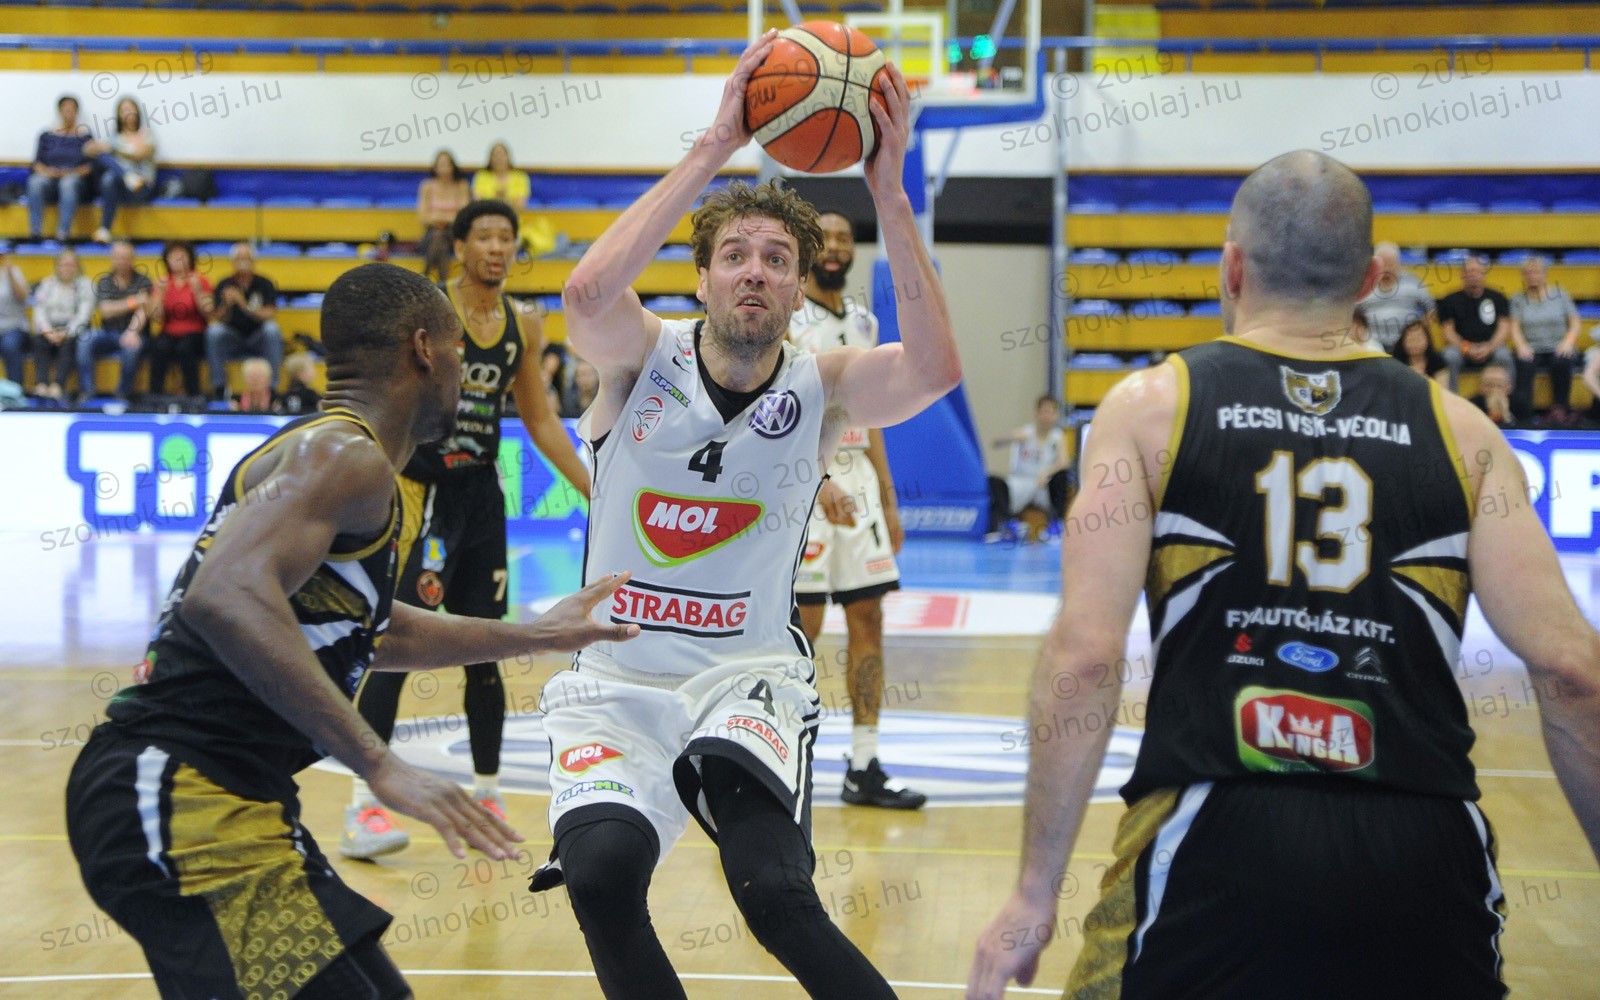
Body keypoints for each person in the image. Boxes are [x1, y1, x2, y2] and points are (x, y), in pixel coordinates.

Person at [968, 149, 1600, 1000]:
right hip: (1426, 839)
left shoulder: (1149, 410)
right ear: (1371, 280)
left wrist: (1033, 893)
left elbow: (1084, 657)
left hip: (1215, 829)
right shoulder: (1467, 434)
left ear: (1231, 268)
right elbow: (1573, 671)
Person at [65, 261, 639, 1000]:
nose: (466, 373)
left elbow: (370, 629)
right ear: (425, 348)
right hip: (178, 792)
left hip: (239, 803)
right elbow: (222, 595)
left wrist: (535, 636)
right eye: (458, 350)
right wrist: (377, 761)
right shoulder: (345, 454)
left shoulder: (340, 458)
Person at [528, 38, 949, 1000]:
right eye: (734, 256)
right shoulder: (638, 359)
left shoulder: (824, 383)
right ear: (703, 278)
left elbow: (933, 372)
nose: (754, 271)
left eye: (776, 259)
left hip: (744, 678)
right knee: (600, 879)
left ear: (799, 288)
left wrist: (889, 194)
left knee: (776, 900)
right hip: (616, 684)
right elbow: (586, 293)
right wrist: (717, 143)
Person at [345, 199, 593, 859]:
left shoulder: (524, 325)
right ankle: (363, 805)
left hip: (481, 495)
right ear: (459, 247)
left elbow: (540, 421)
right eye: (484, 236)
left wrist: (594, 490)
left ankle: (487, 795)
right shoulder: (427, 313)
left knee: (486, 650)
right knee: (395, 645)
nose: (497, 247)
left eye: (506, 237)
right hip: (421, 492)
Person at [788, 210, 923, 809]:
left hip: (859, 481)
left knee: (869, 618)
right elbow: (778, 412)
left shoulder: (865, 321)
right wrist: (817, 483)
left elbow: (874, 418)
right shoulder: (790, 317)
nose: (837, 246)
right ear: (809, 248)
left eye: (846, 238)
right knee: (805, 626)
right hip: (803, 479)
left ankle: (864, 763)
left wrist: (887, 500)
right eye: (827, 237)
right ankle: (780, 753)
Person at [986, 396, 1072, 543]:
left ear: (1056, 415)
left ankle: (1057, 525)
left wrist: (1046, 472)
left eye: (1051, 412)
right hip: (1022, 482)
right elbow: (995, 443)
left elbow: (1064, 463)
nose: (1047, 416)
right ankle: (1008, 525)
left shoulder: (1057, 436)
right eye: (1044, 411)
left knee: (1062, 476)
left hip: (1043, 485)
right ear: (1036, 413)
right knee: (993, 481)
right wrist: (1011, 437)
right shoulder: (1026, 432)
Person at [1508, 254, 1582, 424]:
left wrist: (1568, 342)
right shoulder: (1518, 299)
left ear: (1545, 274)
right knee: (1524, 363)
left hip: (1558, 345)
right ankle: (1524, 414)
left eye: (1536, 272)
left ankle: (1560, 409)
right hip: (1532, 347)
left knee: (1562, 361)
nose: (1532, 276)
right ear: (1523, 276)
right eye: (1528, 273)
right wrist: (1521, 346)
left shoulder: (1560, 294)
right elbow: (1514, 326)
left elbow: (1575, 322)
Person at [206, 242, 284, 401]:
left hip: (258, 336)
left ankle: (272, 388)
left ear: (254, 261)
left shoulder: (264, 283)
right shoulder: (224, 284)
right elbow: (218, 317)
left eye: (246, 258)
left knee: (272, 330)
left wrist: (243, 304)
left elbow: (270, 313)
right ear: (233, 262)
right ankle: (219, 387)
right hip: (233, 337)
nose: (243, 262)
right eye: (239, 258)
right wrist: (226, 305)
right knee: (214, 331)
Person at [77, 240, 153, 400]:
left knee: (132, 348)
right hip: (108, 333)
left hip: (136, 332)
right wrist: (133, 301)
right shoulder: (105, 281)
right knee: (85, 339)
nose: (121, 261)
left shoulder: (143, 281)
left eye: (125, 257)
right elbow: (106, 311)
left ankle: (122, 394)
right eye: (118, 257)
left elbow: (143, 310)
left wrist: (131, 332)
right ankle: (87, 391)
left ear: (132, 259)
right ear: (112, 258)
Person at [1437, 255, 1513, 393]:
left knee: (1504, 356)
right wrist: (1467, 348)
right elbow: (1448, 331)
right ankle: (1451, 399)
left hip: (1491, 348)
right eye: (1469, 271)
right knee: (1449, 356)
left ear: (1484, 274)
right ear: (1462, 274)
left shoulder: (1497, 298)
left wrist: (1489, 347)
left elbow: (1504, 327)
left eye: (1477, 271)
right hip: (1461, 349)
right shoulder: (1450, 299)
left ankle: (1507, 400)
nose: (1473, 275)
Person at [147, 241, 214, 397]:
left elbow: (209, 312)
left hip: (195, 331)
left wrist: (198, 291)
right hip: (169, 330)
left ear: (190, 258)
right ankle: (154, 394)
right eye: (173, 256)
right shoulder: (163, 282)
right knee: (159, 347)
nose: (177, 259)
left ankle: (194, 394)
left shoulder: (200, 280)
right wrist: (159, 296)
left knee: (185, 348)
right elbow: (157, 317)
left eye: (181, 256)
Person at [89, 96, 158, 244]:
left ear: (137, 112)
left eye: (131, 109)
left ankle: (105, 228)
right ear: (119, 114)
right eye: (124, 110)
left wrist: (115, 150)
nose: (128, 113)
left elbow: (141, 154)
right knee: (105, 169)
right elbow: (95, 152)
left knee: (109, 169)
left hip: (142, 186)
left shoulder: (147, 134)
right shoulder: (114, 137)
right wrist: (91, 148)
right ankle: (105, 230)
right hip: (120, 188)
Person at [26, 94, 94, 242]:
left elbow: (90, 167)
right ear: (59, 111)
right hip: (49, 179)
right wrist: (48, 172)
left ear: (77, 112)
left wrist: (71, 172)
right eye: (65, 109)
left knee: (68, 183)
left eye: (71, 109)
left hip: (75, 182)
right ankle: (35, 232)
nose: (68, 113)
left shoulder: (85, 137)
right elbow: (37, 164)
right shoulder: (46, 136)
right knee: (35, 182)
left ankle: (63, 233)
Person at [30, 248, 94, 402]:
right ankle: (41, 384)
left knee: (69, 344)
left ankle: (58, 385)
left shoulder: (85, 285)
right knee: (39, 341)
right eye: (64, 264)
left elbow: (83, 315)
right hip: (50, 328)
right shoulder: (47, 284)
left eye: (71, 265)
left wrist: (66, 332)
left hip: (73, 329)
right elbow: (39, 311)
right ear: (57, 266)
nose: (67, 268)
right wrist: (47, 331)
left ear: (77, 267)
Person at [1353, 240, 1434, 351]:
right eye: (1383, 264)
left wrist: (1417, 331)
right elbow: (1352, 316)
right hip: (1372, 343)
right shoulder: (1364, 284)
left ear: (1398, 264)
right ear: (1375, 265)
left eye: (1391, 264)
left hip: (1406, 345)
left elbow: (1431, 309)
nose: (1387, 269)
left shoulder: (1413, 282)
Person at [417, 149, 470, 281]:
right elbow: (423, 218)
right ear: (435, 167)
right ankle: (443, 284)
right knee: (439, 238)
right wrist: (447, 218)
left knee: (440, 238)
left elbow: (463, 216)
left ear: (453, 166)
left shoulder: (461, 185)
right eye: (441, 165)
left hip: (454, 234)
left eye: (447, 164)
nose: (444, 168)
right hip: (431, 233)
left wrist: (439, 217)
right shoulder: (427, 186)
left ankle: (425, 277)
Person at [0, 241, 29, 389]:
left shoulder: (13, 272)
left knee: (10, 345)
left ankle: (16, 391)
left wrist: (10, 275)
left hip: (14, 327)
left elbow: (23, 297)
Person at [472, 141, 532, 212]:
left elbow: (520, 205)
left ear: (508, 157)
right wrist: (506, 201)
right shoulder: (481, 177)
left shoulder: (520, 177)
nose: (499, 159)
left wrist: (496, 201)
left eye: (502, 155)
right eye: (495, 156)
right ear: (490, 158)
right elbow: (477, 203)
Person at [1389, 317, 1449, 386]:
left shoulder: (1437, 361)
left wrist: (1423, 378)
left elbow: (1443, 388)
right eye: (1410, 340)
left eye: (1418, 339)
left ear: (1428, 340)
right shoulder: (1396, 362)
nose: (1415, 344)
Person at [275, 350, 323, 415]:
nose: (314, 370)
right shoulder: (311, 395)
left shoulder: (284, 395)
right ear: (300, 373)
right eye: (310, 368)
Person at [1470, 360, 1516, 428]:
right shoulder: (1471, 405)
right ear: (1480, 387)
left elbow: (1526, 429)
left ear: (1508, 388)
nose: (1494, 390)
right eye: (1489, 385)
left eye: (1499, 385)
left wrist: (1506, 416)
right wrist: (1491, 416)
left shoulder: (1520, 405)